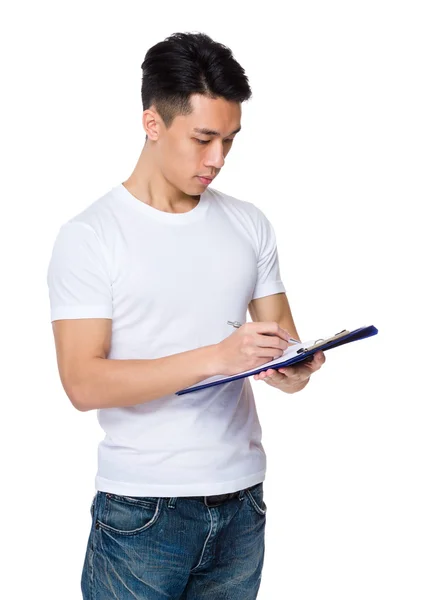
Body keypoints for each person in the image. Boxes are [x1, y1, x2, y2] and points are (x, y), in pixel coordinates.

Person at [46, 31, 325, 600]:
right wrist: (218, 357)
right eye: (203, 139)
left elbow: (282, 346)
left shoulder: (249, 224)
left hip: (242, 501)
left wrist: (294, 368)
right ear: (153, 125)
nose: (218, 159)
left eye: (229, 140)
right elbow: (82, 382)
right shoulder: (91, 237)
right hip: (142, 512)